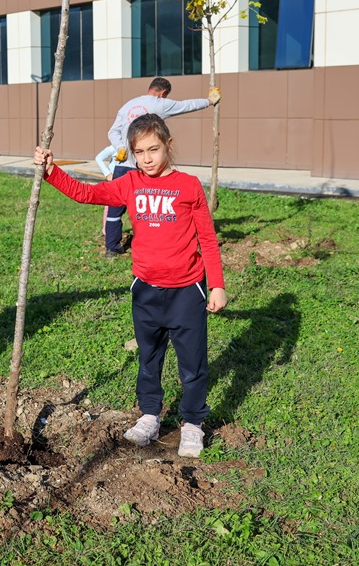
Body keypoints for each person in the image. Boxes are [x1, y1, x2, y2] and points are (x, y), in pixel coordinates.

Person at [34, 113, 227, 458]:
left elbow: (208, 239)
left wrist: (217, 285)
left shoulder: (188, 186)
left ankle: (192, 424)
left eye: (154, 149)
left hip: (187, 291)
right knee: (148, 358)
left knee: (192, 363)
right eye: (140, 152)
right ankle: (150, 416)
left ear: (169, 145)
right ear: (132, 153)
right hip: (146, 290)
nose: (148, 158)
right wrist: (51, 172)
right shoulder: (129, 183)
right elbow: (85, 194)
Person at [103, 77, 220, 258]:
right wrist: (210, 101)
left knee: (114, 206)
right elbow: (185, 105)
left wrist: (120, 147)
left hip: (123, 162)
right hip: (142, 167)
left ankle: (111, 248)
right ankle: (151, 243)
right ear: (163, 93)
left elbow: (112, 131)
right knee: (150, 205)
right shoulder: (159, 104)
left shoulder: (128, 105)